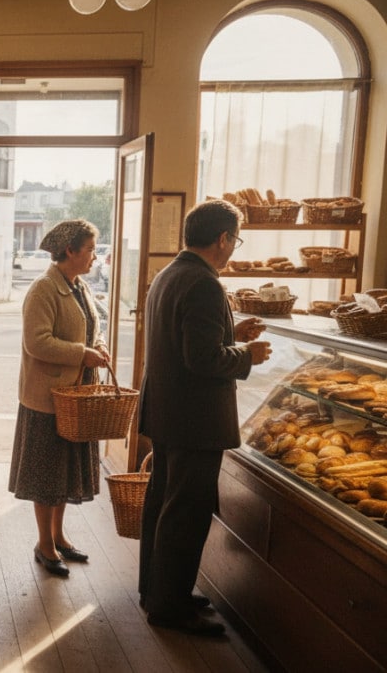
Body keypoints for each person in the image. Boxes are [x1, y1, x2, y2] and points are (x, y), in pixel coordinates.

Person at [137, 199, 270, 637]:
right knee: (186, 513)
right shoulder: (206, 284)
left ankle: (157, 590)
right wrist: (245, 354)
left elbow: (182, 342)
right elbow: (202, 358)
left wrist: (231, 335)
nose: (233, 247)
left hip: (166, 413)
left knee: (162, 504)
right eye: (236, 239)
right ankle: (170, 608)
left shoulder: (169, 275)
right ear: (223, 239)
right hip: (195, 420)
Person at [8, 220, 110, 578]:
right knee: (47, 477)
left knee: (64, 475)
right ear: (70, 251)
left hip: (75, 398)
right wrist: (82, 354)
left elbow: (87, 330)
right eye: (91, 250)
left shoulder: (78, 286)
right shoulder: (43, 289)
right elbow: (37, 342)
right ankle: (45, 544)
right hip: (47, 400)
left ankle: (58, 536)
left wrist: (96, 347)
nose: (94, 257)